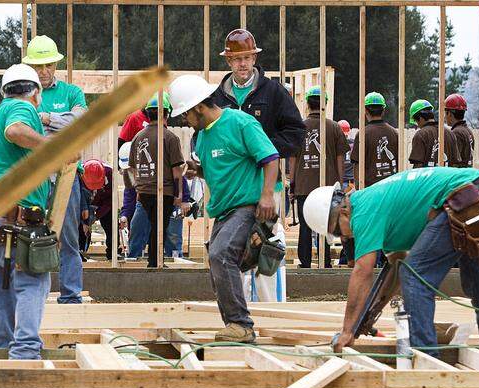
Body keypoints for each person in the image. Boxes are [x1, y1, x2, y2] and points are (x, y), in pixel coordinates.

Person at [303, 166, 479, 353]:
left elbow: (363, 272)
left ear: (343, 211)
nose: (344, 237)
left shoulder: (363, 210)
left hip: (460, 198)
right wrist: (370, 313)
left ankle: (427, 358)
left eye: (338, 231)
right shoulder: (378, 206)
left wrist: (347, 330)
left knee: (415, 275)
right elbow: (396, 268)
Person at [170, 74, 279, 343]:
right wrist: (200, 171)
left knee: (220, 255)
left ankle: (240, 325)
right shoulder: (203, 138)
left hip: (245, 206)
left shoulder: (240, 122)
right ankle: (234, 324)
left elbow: (270, 157)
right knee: (218, 261)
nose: (184, 120)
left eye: (186, 114)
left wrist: (266, 196)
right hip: (223, 211)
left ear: (198, 107)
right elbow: (221, 169)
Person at [0, 63, 52, 359]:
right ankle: (25, 352)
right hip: (17, 219)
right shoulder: (22, 108)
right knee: (34, 281)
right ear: (35, 92)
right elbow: (16, 130)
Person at [23, 35, 86, 304]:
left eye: (49, 65)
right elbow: (23, 130)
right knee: (32, 236)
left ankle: (71, 295)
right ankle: (33, 295)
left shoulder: (71, 92)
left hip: (66, 175)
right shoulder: (24, 96)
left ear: (56, 65)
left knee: (68, 237)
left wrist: (49, 119)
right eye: (39, 66)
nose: (44, 71)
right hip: (35, 177)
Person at [211, 29, 305, 158]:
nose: (243, 64)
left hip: (264, 174)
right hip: (229, 175)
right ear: (229, 61)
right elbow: (203, 133)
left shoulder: (274, 92)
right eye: (237, 59)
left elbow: (296, 132)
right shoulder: (217, 97)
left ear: (254, 58)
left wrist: (263, 149)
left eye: (247, 58)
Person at [291, 87, 348, 269]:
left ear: (308, 104)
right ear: (324, 103)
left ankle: (305, 263)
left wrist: (292, 183)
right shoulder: (334, 127)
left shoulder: (299, 127)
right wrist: (339, 183)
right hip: (327, 187)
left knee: (305, 225)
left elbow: (293, 158)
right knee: (326, 223)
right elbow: (340, 159)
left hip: (304, 185)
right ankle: (325, 262)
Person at [129, 92, 185, 268]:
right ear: (166, 114)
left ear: (147, 113)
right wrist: (178, 194)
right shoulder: (170, 138)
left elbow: (132, 168)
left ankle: (154, 261)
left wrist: (138, 189)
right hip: (164, 191)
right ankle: (155, 262)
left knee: (153, 225)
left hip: (144, 191)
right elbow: (176, 170)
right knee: (159, 228)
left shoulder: (138, 137)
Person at [350, 92, 400, 188]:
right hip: (391, 187)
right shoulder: (394, 133)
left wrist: (358, 188)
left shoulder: (363, 134)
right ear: (383, 110)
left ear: (365, 111)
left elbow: (357, 164)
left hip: (370, 190)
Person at [407, 99, 459, 169]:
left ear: (420, 117)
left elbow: (418, 165)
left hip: (428, 179)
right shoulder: (450, 133)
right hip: (447, 179)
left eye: (416, 121)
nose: (418, 125)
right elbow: (456, 163)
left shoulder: (421, 134)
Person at [80, 159, 115, 259]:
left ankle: (112, 253)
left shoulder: (110, 173)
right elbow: (79, 200)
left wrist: (96, 216)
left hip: (103, 202)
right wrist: (85, 221)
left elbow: (109, 201)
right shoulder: (78, 175)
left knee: (111, 226)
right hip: (84, 203)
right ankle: (80, 252)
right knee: (81, 229)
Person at [444, 93, 474, 168]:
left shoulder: (456, 133)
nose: (444, 117)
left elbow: (454, 161)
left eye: (445, 113)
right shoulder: (468, 131)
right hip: (467, 174)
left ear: (449, 114)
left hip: (459, 177)